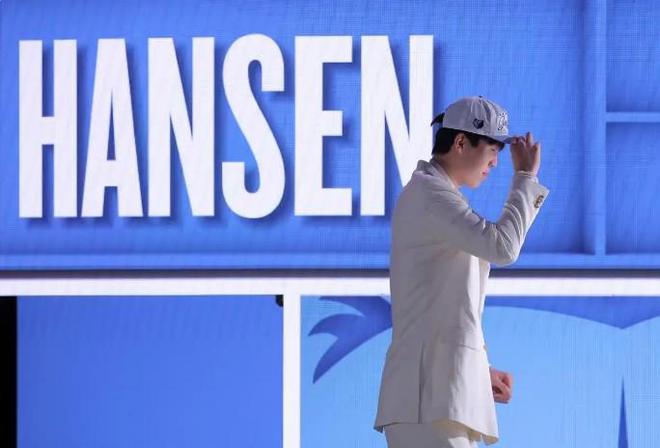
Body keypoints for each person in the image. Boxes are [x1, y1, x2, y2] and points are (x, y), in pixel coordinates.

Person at [373, 96, 549, 447]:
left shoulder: (433, 194)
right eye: (492, 149)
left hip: (434, 400)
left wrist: (477, 373)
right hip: (429, 402)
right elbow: (503, 247)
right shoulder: (431, 196)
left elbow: (440, 307)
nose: (496, 162)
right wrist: (525, 178)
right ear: (460, 142)